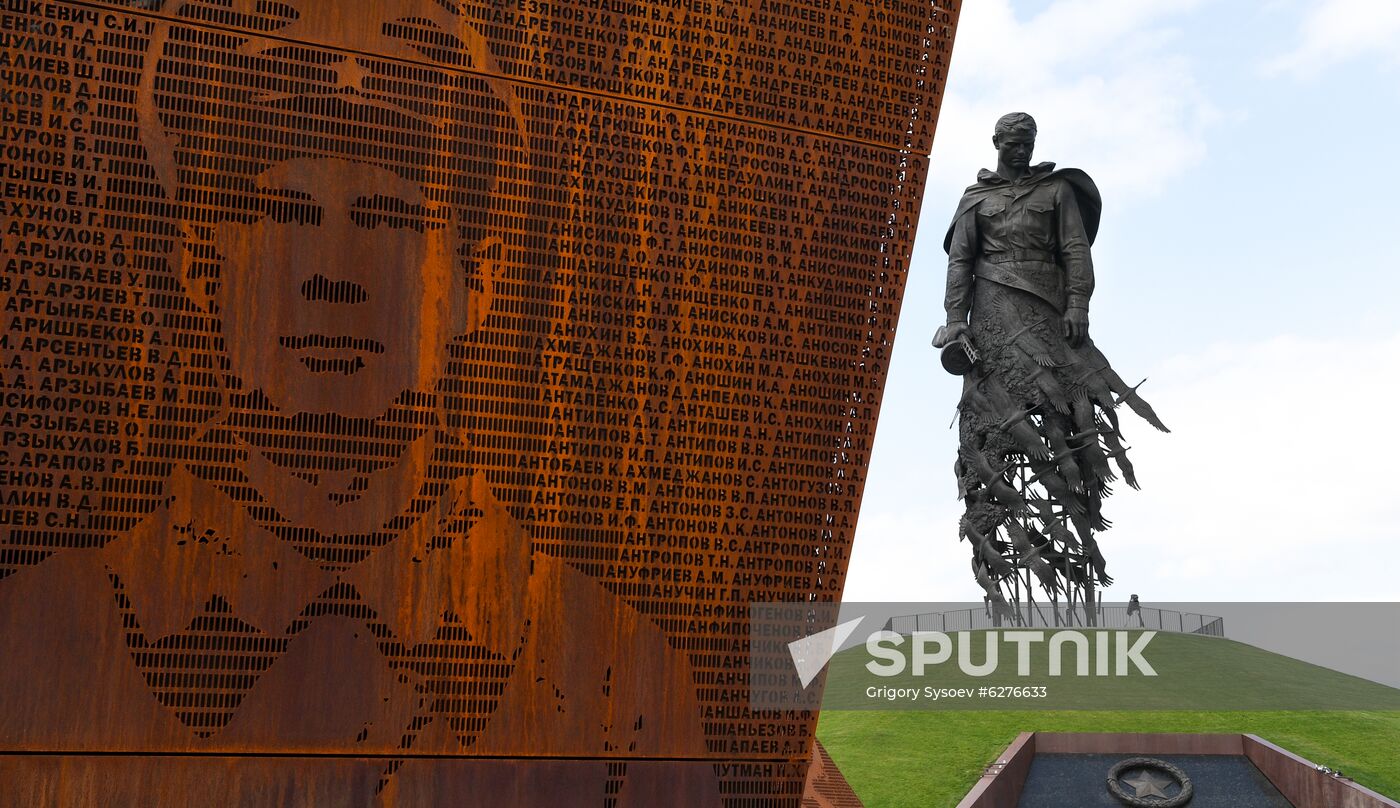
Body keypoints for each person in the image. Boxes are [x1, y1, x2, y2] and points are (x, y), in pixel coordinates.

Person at [0, 3, 718, 802]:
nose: (332, 276)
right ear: (201, 261)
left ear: (478, 281)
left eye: (389, 220)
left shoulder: (620, 687)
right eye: (284, 213)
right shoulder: (34, 634)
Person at [934, 113, 1168, 610]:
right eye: (1013, 143)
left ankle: (1081, 528)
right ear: (997, 143)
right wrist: (956, 320)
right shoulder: (974, 199)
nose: (1020, 150)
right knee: (997, 418)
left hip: (1049, 309)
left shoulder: (1057, 191)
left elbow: (1074, 249)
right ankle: (1006, 558)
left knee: (1070, 409)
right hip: (994, 308)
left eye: (1028, 143)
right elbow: (960, 262)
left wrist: (1079, 303)